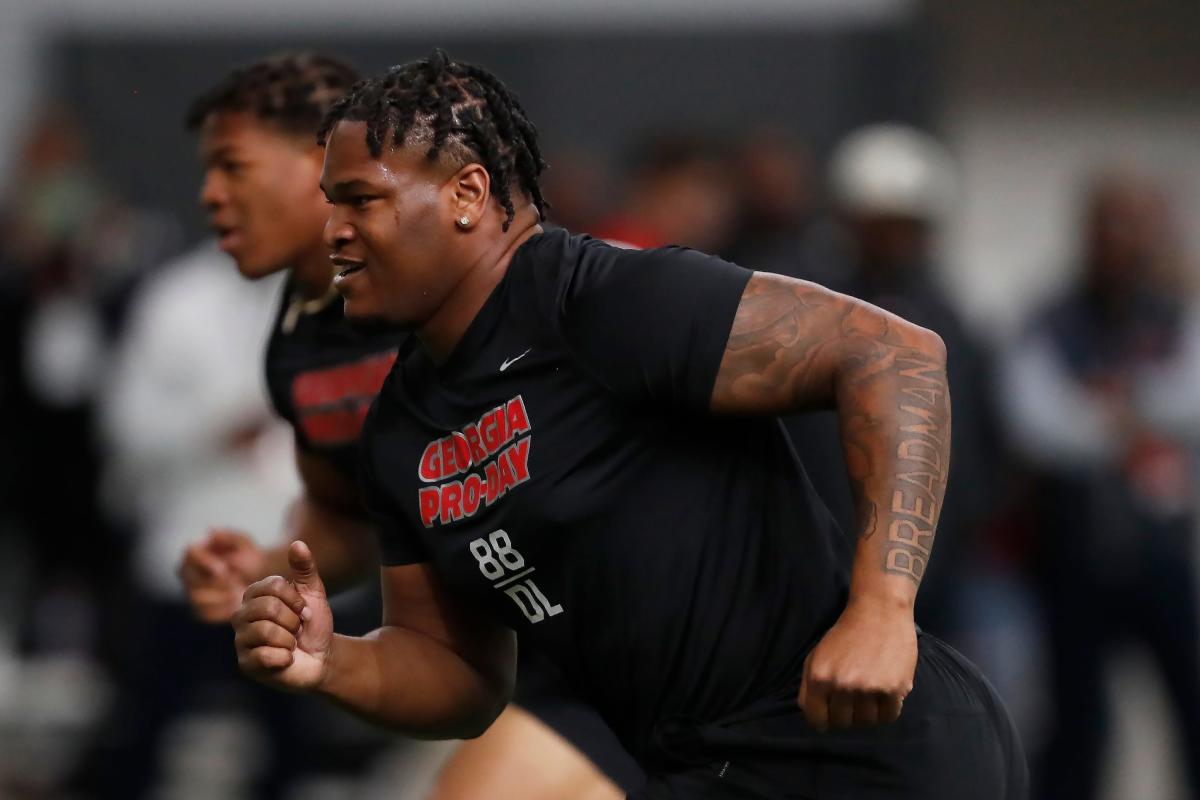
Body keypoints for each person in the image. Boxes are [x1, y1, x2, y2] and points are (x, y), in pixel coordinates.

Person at [231, 50, 1027, 799]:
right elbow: (457, 673)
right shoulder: (400, 431)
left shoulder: (604, 301)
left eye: (361, 200)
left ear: (468, 196)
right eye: (331, 204)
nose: (333, 230)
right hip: (701, 769)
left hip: (870, 751)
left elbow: (897, 359)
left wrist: (881, 611)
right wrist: (328, 659)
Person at [175, 52, 637, 799]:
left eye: (232, 167)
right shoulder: (300, 345)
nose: (211, 196)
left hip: (655, 644)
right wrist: (266, 568)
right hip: (545, 658)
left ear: (313, 161)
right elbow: (351, 518)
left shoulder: (503, 288)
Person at [1002, 170, 1200, 800]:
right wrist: (1127, 423)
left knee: (1192, 705)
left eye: (1139, 222)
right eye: (1113, 222)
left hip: (1162, 555)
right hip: (1073, 555)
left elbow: (1189, 401)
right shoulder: (1049, 317)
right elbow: (1037, 424)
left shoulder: (1175, 313)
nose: (1126, 238)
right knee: (1076, 727)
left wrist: (1117, 405)